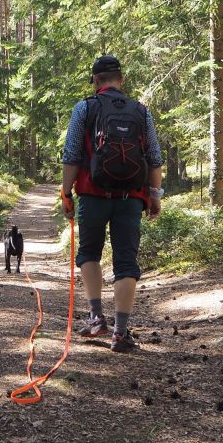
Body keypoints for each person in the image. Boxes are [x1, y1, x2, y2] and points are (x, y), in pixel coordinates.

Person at [61, 55, 164, 352]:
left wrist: (67, 193)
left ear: (95, 81)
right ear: (121, 80)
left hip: (93, 196)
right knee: (126, 263)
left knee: (89, 253)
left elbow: (71, 154)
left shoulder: (85, 108)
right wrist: (154, 197)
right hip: (131, 198)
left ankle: (96, 319)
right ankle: (121, 332)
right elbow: (154, 159)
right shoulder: (141, 112)